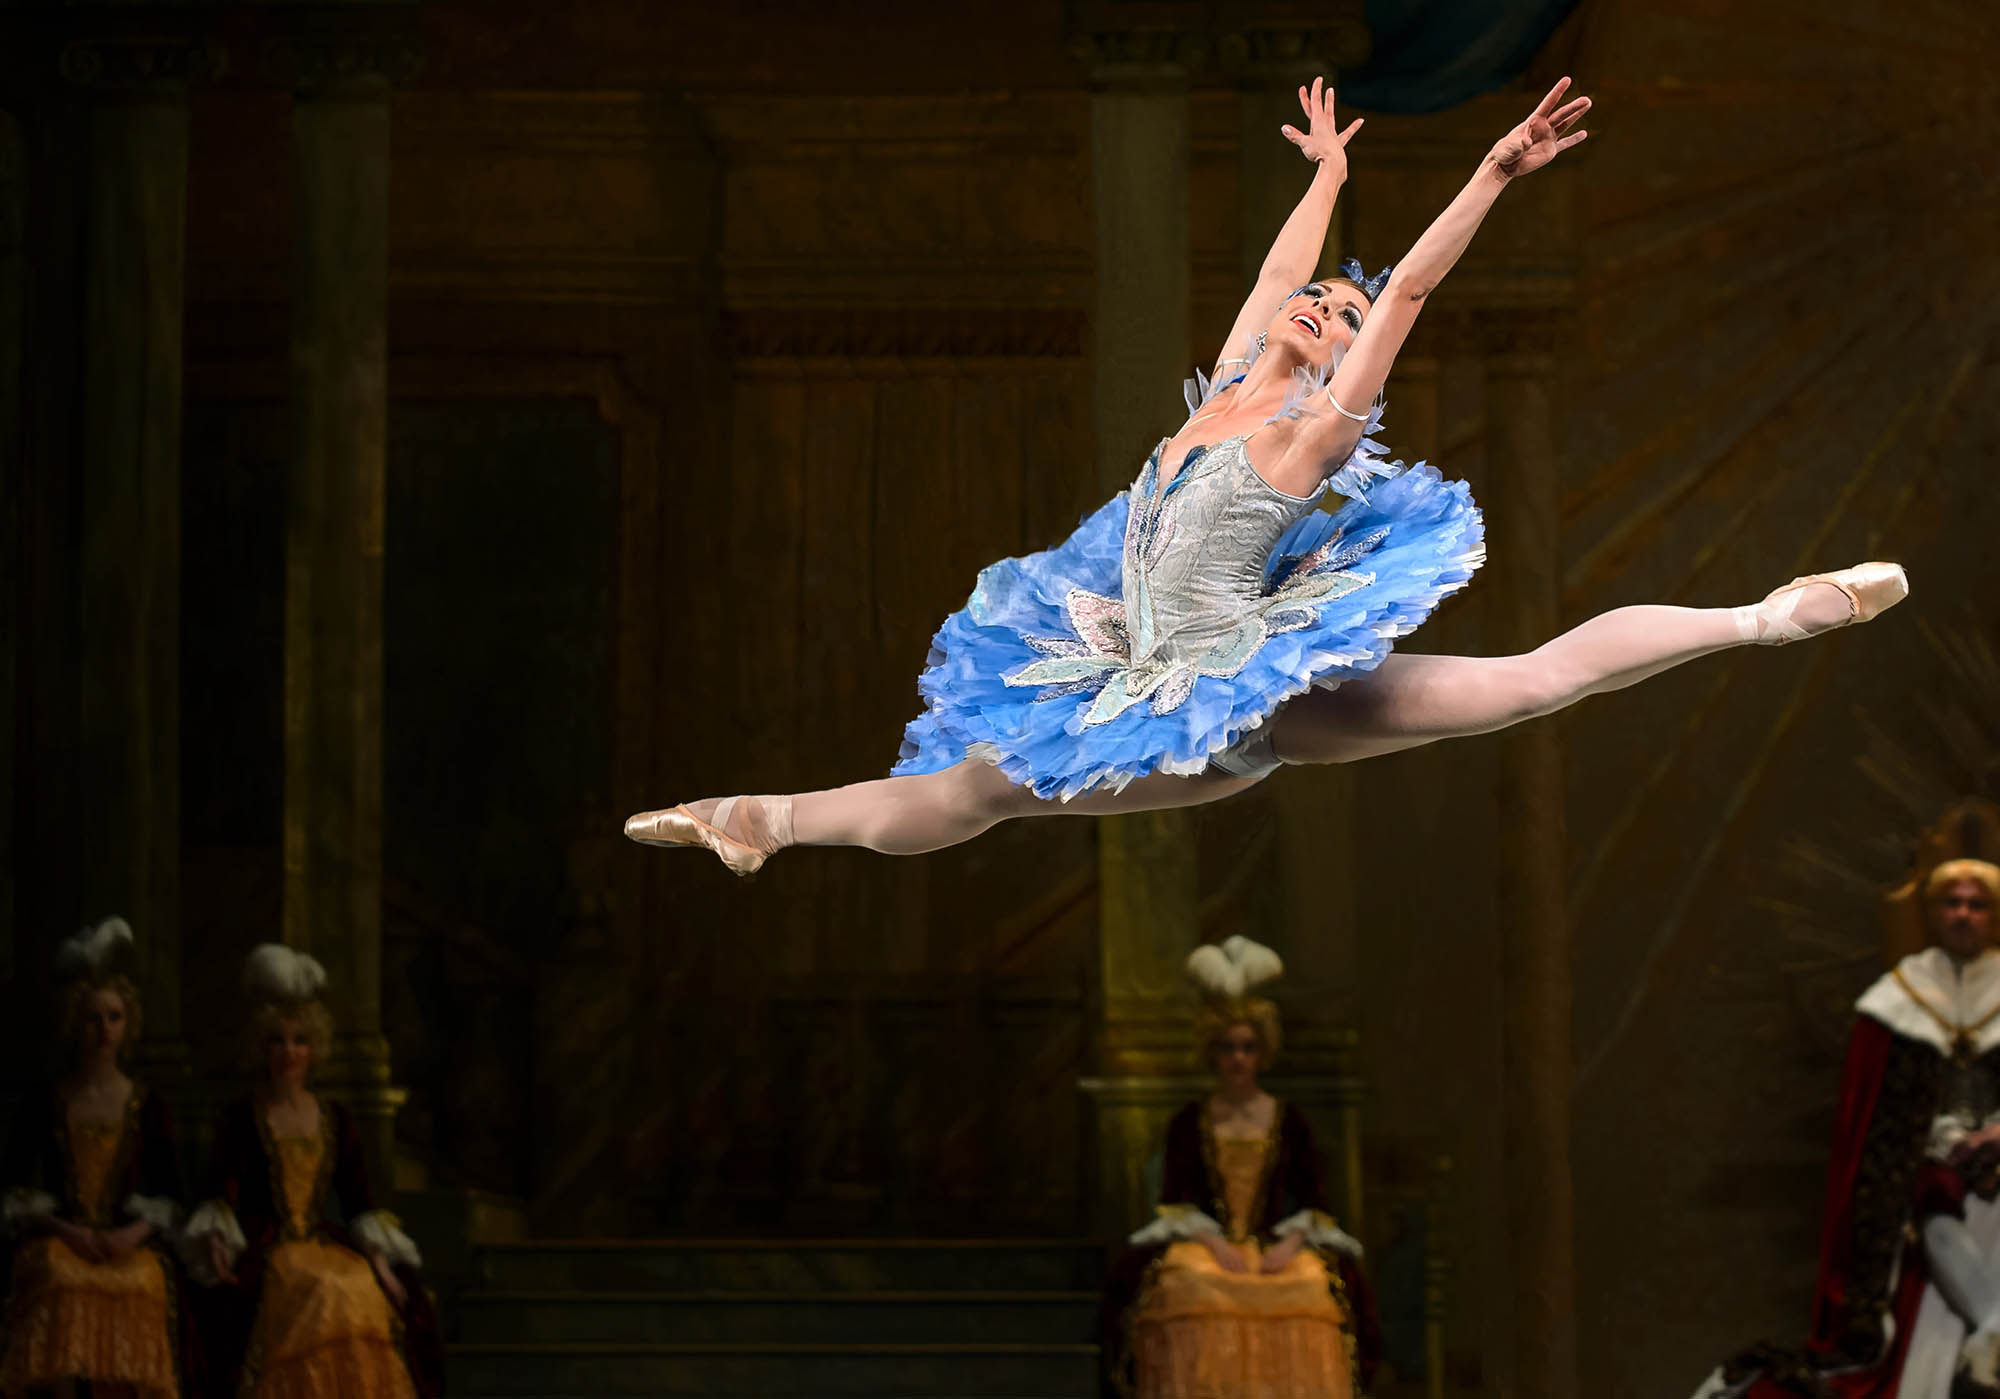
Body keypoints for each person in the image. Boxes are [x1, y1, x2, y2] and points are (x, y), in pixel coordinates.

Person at [625, 76, 1907, 876]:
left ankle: (1766, 614)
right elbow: (1263, 280)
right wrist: (1328, 175)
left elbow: (1404, 284)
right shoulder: (1237, 381)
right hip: (1140, 663)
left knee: (1521, 687)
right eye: (1315, 301)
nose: (1317, 309)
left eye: (1336, 317)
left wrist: (1488, 176)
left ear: (1350, 363)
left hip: (1222, 693)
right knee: (962, 792)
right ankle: (761, 820)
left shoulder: (1310, 433)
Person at [1695, 860, 2000, 1399]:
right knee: (1936, 1200)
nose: (1963, 915)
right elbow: (1880, 1119)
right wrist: (1943, 1144)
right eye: (1952, 904)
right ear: (1932, 914)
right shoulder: (1900, 998)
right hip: (1932, 1172)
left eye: (1977, 905)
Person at [1099, 936, 1378, 1399]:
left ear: (1262, 1051)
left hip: (1274, 1246)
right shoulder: (1191, 1121)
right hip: (1207, 1244)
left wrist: (1287, 1246)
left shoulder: (1290, 1120)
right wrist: (1215, 1244)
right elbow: (1176, 1200)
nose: (1237, 1059)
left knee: (1310, 1285)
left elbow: (1313, 1200)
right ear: (1213, 1051)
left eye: (1247, 1048)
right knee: (1187, 1284)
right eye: (1228, 1047)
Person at [182, 945, 442, 1399]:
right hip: (268, 1247)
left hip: (324, 1242)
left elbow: (360, 1200)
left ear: (314, 1047)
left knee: (356, 1284)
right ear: (261, 1047)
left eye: (299, 1040)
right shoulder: (243, 1117)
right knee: (320, 1288)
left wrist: (381, 1264)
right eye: (278, 1040)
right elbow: (223, 1191)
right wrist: (218, 1241)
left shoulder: (335, 1117)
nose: (289, 1052)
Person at [0, 917, 188, 1399]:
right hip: (65, 1237)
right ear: (72, 1021)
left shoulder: (147, 1103)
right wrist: (68, 1229)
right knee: (59, 1275)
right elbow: (15, 1185)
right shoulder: (49, 1099)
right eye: (92, 1018)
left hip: (124, 1243)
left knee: (144, 1280)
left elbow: (170, 1190)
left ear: (128, 1025)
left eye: (114, 1017)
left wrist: (131, 1234)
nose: (103, 1030)